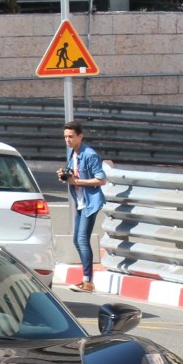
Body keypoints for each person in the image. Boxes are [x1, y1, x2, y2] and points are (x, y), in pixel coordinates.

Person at [58, 120, 107, 293]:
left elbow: (101, 179)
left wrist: (76, 181)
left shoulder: (89, 154)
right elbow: (72, 173)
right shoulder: (73, 153)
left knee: (81, 240)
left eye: (71, 136)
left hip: (90, 203)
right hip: (80, 202)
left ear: (80, 136)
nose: (68, 140)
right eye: (65, 137)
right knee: (76, 240)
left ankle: (88, 282)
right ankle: (86, 279)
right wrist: (64, 175)